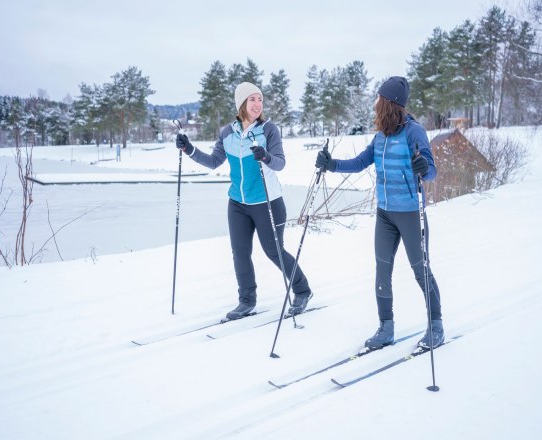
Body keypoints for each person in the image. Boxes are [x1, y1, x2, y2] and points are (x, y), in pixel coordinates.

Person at [315, 76, 444, 349]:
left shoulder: (413, 132)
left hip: (410, 213)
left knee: (421, 270)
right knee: (382, 270)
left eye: (379, 99)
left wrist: (423, 167)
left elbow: (431, 172)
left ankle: (436, 326)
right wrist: (330, 164)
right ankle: (386, 328)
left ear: (390, 103)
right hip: (385, 215)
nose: (375, 104)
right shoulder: (380, 136)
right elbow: (360, 162)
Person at [175, 82, 313, 320]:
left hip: (267, 201)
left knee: (274, 251)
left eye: (260, 99)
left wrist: (266, 156)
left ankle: (302, 291)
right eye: (252, 100)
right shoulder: (227, 133)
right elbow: (213, 161)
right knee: (240, 252)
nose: (258, 104)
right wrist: (189, 149)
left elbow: (280, 162)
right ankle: (246, 301)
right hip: (238, 203)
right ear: (242, 103)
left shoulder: (269, 130)